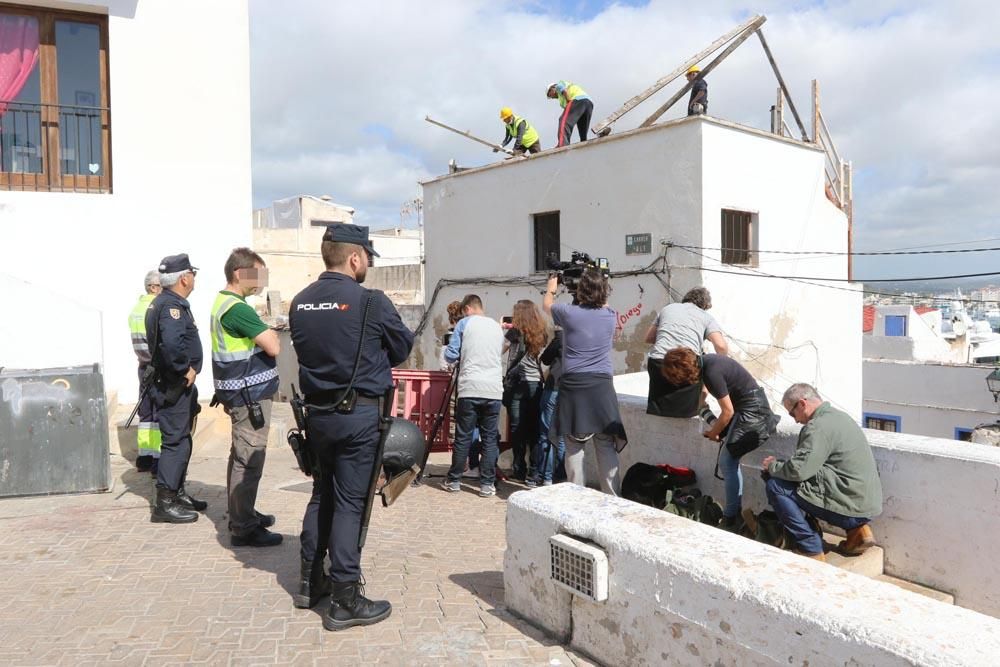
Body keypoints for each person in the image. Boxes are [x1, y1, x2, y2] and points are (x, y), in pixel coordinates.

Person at [290, 223, 414, 630]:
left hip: (317, 417)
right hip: (358, 417)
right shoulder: (370, 302)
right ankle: (344, 598)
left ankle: (311, 580)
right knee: (350, 503)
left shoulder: (300, 302)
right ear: (355, 257)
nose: (369, 265)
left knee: (320, 494)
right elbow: (401, 347)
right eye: (369, 258)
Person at [209, 248, 282, 548]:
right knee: (249, 458)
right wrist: (270, 334)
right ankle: (243, 527)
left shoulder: (222, 302)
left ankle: (243, 512)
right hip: (248, 395)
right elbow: (273, 346)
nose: (261, 281)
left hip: (238, 392)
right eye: (257, 274)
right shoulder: (238, 309)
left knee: (239, 454)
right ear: (239, 273)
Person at [659, 347, 777, 532]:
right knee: (731, 459)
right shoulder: (707, 362)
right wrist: (702, 402)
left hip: (752, 414)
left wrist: (714, 433)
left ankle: (731, 517)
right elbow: (710, 388)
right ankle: (733, 513)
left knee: (727, 462)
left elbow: (727, 411)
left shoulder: (711, 371)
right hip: (749, 410)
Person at [763, 383, 882, 561]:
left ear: (802, 403)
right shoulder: (840, 417)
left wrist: (773, 466)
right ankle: (858, 532)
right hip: (866, 504)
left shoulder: (817, 427)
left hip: (850, 507)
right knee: (797, 480)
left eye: (792, 413)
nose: (795, 420)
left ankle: (810, 547)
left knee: (775, 484)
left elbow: (799, 470)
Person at [543, 269, 626, 495]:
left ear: (580, 290)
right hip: (602, 385)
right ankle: (613, 497)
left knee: (574, 443)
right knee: (605, 442)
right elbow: (605, 304)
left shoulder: (568, 313)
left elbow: (547, 304)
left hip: (575, 384)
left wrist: (552, 286)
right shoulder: (610, 316)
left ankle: (576, 497)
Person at [145, 254, 205, 524]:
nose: (193, 278)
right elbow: (171, 346)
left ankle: (177, 492)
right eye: (192, 273)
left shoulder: (169, 303)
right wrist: (185, 370)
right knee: (174, 443)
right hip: (174, 385)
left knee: (182, 439)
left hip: (176, 385)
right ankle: (165, 503)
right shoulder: (170, 307)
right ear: (184, 278)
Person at [441, 294, 504, 497]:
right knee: (489, 438)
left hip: (470, 387)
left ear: (467, 309)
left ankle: (454, 480)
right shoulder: (497, 326)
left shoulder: (464, 324)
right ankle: (487, 484)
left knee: (463, 437)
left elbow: (451, 355)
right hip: (494, 389)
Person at [645, 287, 728, 416]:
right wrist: (720, 364)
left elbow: (649, 338)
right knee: (705, 364)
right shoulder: (706, 316)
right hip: (685, 365)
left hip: (658, 363)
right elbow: (721, 346)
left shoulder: (668, 308)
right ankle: (697, 404)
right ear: (705, 305)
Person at [503, 299, 547, 482]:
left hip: (517, 384)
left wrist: (501, 328)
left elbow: (499, 348)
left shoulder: (514, 332)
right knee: (534, 430)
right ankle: (534, 472)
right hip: (536, 384)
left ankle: (519, 469)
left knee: (517, 429)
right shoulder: (542, 333)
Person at [128, 269, 162, 474]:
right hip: (156, 368)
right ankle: (158, 460)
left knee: (146, 413)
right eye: (161, 286)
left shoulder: (135, 309)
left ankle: (145, 456)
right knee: (158, 414)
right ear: (153, 287)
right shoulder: (155, 307)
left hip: (143, 367)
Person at [532, 327, 566, 486]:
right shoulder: (586, 334)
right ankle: (560, 476)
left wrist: (558, 335)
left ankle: (546, 476)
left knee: (546, 434)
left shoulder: (561, 336)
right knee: (563, 437)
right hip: (572, 390)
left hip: (554, 387)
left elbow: (545, 358)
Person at [547, 80, 593, 147]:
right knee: (582, 126)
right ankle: (584, 143)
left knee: (563, 121)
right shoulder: (561, 99)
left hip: (577, 100)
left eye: (550, 95)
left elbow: (561, 88)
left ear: (551, 89)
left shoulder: (557, 86)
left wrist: (568, 100)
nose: (552, 97)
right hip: (589, 103)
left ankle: (562, 144)